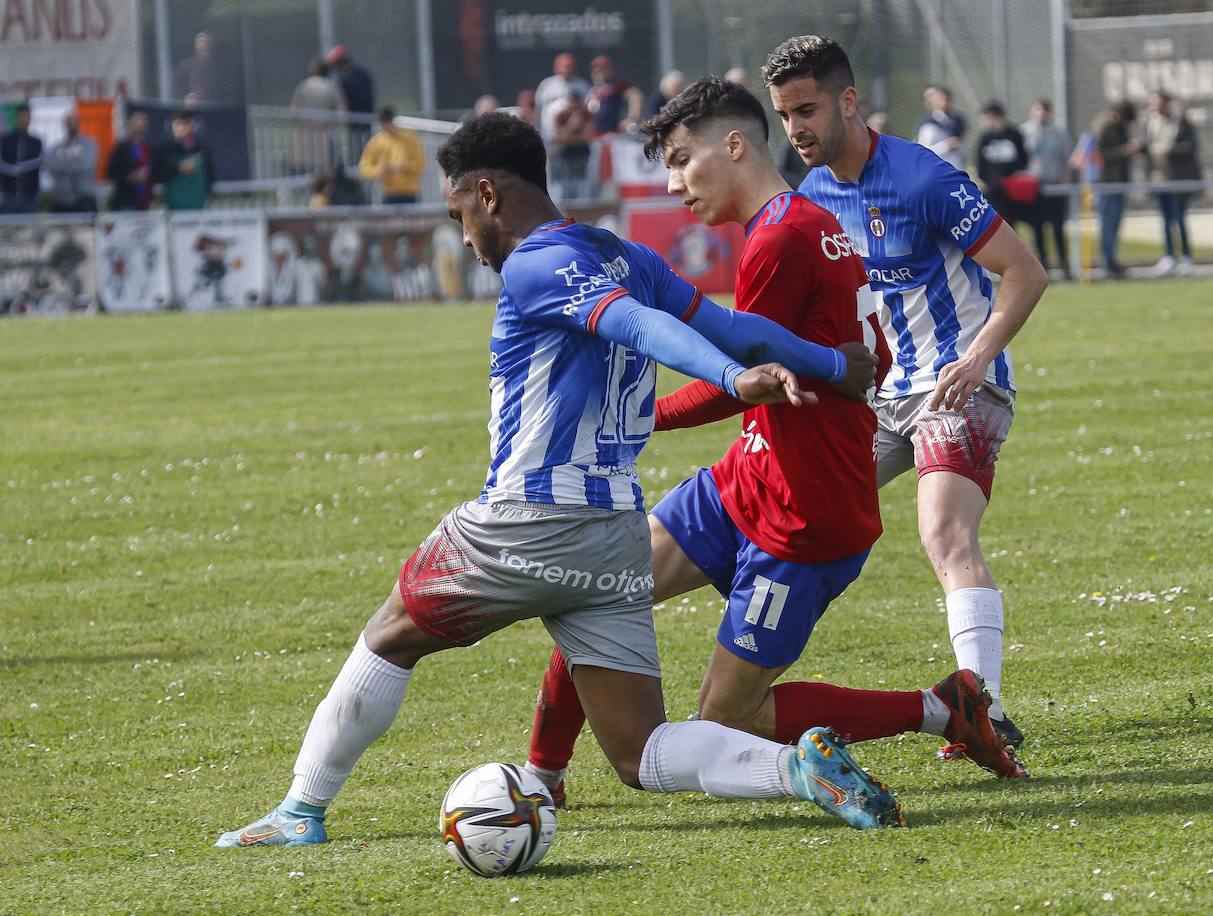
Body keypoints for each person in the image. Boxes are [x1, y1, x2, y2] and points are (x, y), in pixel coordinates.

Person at [213, 112, 905, 848]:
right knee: (639, 750)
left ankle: (299, 813)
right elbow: (731, 325)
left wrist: (736, 379)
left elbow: (641, 329)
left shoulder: (534, 266)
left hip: (523, 521)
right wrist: (829, 364)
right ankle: (794, 770)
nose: (467, 240)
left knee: (389, 636)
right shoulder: (630, 255)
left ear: (486, 194)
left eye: (459, 216)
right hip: (612, 538)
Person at [523, 77, 1026, 807]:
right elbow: (865, 359)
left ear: (733, 146)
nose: (672, 183)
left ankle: (942, 707)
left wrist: (640, 420)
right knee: (600, 592)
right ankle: (540, 778)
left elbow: (742, 377)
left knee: (727, 721)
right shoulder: (806, 219)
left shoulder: (783, 238)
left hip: (806, 520)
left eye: (681, 160)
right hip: (746, 480)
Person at [766, 35, 1048, 749]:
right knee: (797, 516)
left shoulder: (925, 179)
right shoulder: (811, 195)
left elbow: (1025, 272)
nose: (795, 129)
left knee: (944, 532)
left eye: (807, 110)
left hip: (957, 385)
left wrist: (979, 358)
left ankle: (983, 706)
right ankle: (746, 688)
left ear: (849, 102)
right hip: (878, 397)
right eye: (784, 115)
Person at [1143, 92, 1197, 276]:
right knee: (1165, 220)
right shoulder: (1152, 123)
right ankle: (1169, 256)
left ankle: (1186, 256)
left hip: (1176, 179)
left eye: (1156, 102)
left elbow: (1190, 146)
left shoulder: (1180, 122)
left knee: (1179, 218)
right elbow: (1147, 147)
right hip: (1159, 179)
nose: (1154, 106)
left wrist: (1169, 151)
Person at [1021, 99, 1074, 280]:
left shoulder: (1058, 133)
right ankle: (1042, 265)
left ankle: (1063, 264)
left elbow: (1067, 159)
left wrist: (1065, 179)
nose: (1041, 114)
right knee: (1037, 228)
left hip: (1054, 185)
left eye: (1044, 110)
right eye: (1038, 110)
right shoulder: (1025, 132)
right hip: (1033, 187)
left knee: (1058, 227)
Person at [1094, 100, 1138, 279]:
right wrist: (1123, 151)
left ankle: (1111, 259)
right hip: (1107, 182)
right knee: (1107, 223)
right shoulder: (1105, 126)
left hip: (1119, 182)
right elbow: (1100, 154)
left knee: (1114, 224)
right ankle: (1107, 262)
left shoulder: (1120, 127)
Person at [975, 101, 1033, 234]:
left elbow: (1024, 158)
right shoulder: (985, 137)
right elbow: (980, 163)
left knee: (1013, 221)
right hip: (993, 187)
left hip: (1011, 186)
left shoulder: (1014, 134)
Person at [358, 106, 426, 205]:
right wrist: (381, 170)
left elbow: (421, 164)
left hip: (410, 192)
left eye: (388, 121)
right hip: (389, 192)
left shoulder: (410, 138)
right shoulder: (376, 142)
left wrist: (405, 167)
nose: (386, 125)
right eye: (383, 122)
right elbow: (364, 169)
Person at [290, 57, 346, 175]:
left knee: (302, 167)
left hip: (303, 133)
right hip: (324, 132)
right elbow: (341, 110)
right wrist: (333, 124)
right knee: (325, 168)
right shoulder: (331, 86)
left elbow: (294, 109)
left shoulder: (303, 85)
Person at [155, 110, 216, 210]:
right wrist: (178, 169)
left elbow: (210, 176)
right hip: (174, 206)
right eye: (178, 124)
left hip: (199, 206)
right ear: (172, 126)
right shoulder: (164, 149)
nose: (182, 128)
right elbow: (158, 175)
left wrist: (205, 195)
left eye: (186, 123)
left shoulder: (202, 149)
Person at [325, 45, 375, 161]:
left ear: (339, 63)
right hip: (367, 121)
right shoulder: (364, 74)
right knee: (367, 155)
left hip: (354, 123)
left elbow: (343, 105)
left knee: (356, 158)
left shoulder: (343, 80)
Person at [43, 112, 99, 214]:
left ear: (78, 124)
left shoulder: (89, 144)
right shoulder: (57, 147)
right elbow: (51, 167)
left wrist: (64, 162)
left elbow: (88, 165)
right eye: (68, 123)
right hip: (62, 200)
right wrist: (75, 160)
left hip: (85, 198)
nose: (71, 126)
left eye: (73, 123)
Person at [535, 52, 590, 142]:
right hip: (549, 137)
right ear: (557, 67)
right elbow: (538, 109)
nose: (569, 70)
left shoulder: (582, 85)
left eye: (571, 66)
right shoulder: (547, 84)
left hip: (576, 139)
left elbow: (587, 111)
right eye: (566, 66)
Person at [550, 90, 594, 201]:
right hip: (566, 155)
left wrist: (569, 138)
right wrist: (571, 125)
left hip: (583, 154)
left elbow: (587, 137)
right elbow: (560, 138)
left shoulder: (587, 115)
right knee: (565, 185)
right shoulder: (561, 115)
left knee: (582, 185)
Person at [106, 111, 154, 211]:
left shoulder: (148, 148)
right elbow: (110, 172)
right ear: (130, 124)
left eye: (144, 120)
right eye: (138, 120)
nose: (141, 123)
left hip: (146, 201)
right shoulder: (121, 148)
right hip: (126, 201)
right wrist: (128, 176)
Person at [0, 103, 43, 214]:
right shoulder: (6, 140)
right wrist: (13, 169)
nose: (24, 120)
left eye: (26, 117)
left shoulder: (36, 142)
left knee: (28, 228)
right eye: (21, 117)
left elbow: (39, 161)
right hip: (9, 195)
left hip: (29, 196)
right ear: (17, 118)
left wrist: (20, 168)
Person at [174, 32, 237, 105]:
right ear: (196, 46)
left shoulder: (221, 66)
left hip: (217, 108)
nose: (203, 48)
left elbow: (229, 87)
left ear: (212, 46)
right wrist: (184, 98)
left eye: (206, 45)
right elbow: (176, 82)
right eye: (200, 45)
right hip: (195, 108)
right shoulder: (188, 64)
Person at [588, 55, 641, 135]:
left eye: (603, 68)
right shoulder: (591, 89)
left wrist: (631, 119)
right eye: (596, 69)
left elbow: (635, 96)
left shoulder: (617, 83)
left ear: (610, 69)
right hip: (594, 133)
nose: (598, 71)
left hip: (613, 132)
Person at [915, 85, 965, 169]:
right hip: (935, 168)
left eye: (947, 99)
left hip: (955, 167)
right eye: (940, 99)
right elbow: (923, 150)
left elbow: (962, 146)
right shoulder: (927, 122)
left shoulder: (958, 120)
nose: (944, 101)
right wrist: (946, 146)